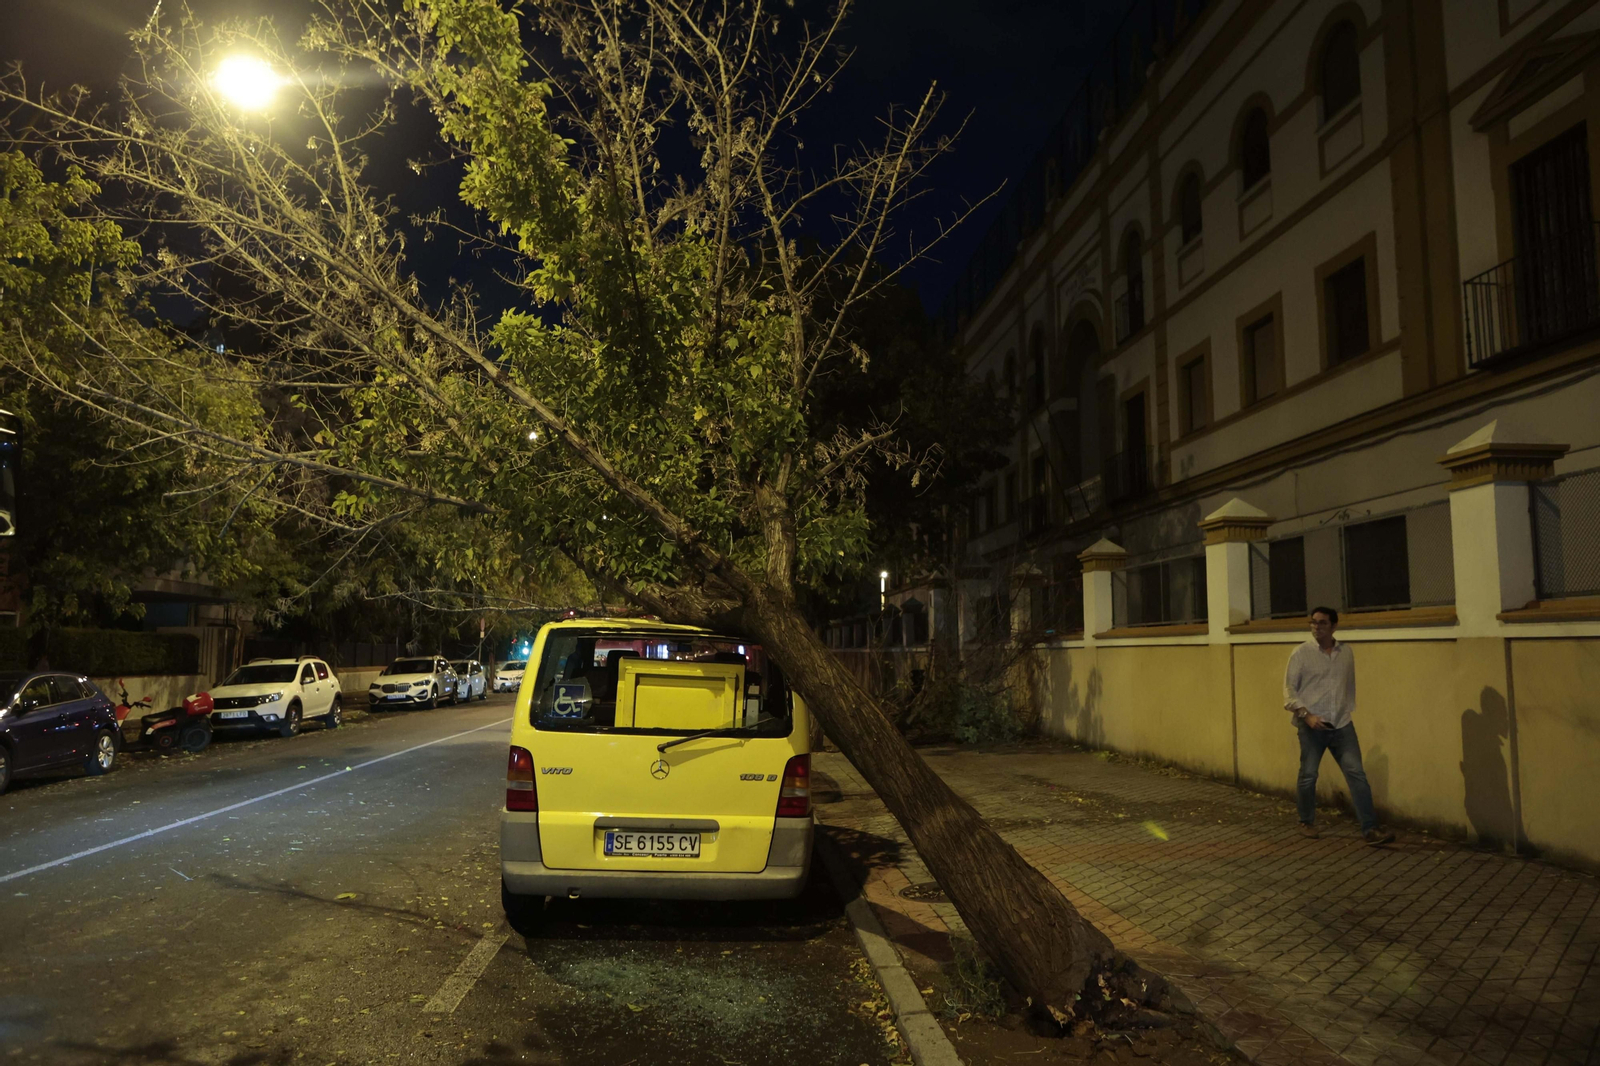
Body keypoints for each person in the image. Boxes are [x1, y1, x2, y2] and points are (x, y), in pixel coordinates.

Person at [1283, 607, 1394, 845]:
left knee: (1357, 774)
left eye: (1322, 623)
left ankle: (1370, 829)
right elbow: (1289, 691)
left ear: (1334, 626)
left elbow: (1348, 685)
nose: (1316, 627)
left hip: (1342, 724)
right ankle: (1306, 821)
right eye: (1313, 622)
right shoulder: (1301, 653)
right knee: (1308, 775)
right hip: (1312, 724)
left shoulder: (1345, 652)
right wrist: (1307, 716)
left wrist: (1346, 711)